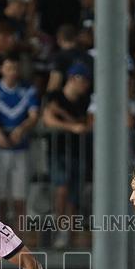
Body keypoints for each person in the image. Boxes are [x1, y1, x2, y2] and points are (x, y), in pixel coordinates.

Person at [0, 53, 39, 226]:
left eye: (15, 68)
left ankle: (19, 236)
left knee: (20, 196)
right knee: (0, 196)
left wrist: (21, 129)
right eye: (8, 68)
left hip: (21, 148)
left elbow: (34, 115)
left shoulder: (28, 90)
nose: (12, 72)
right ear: (2, 70)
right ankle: (1, 235)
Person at [41, 62, 92, 249]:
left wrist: (64, 115)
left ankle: (67, 234)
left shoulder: (84, 101)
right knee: (61, 188)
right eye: (83, 80)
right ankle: (58, 227)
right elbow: (48, 119)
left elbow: (85, 124)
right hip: (58, 151)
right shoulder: (54, 96)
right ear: (72, 79)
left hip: (78, 152)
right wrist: (71, 126)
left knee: (74, 196)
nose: (85, 85)